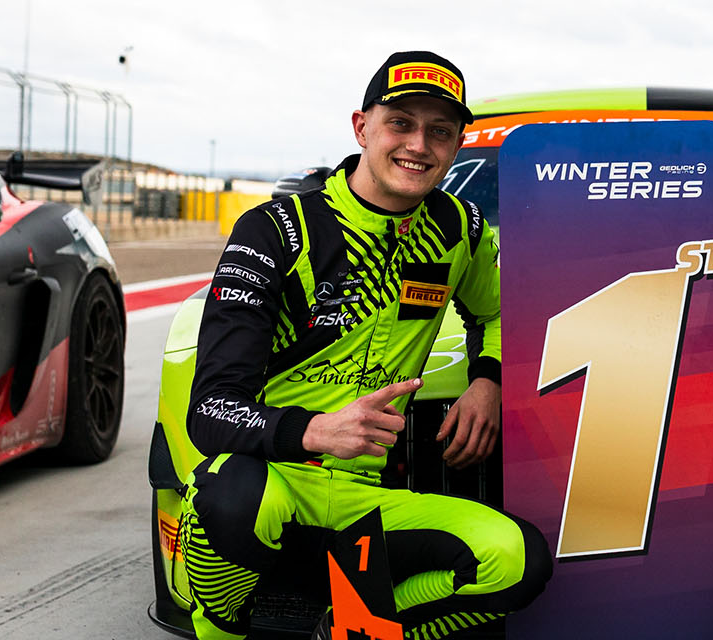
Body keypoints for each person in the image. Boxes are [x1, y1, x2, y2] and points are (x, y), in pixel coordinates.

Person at [177, 51, 549, 640]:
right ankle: (222, 627)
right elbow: (210, 409)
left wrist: (488, 378)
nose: (419, 145)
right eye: (400, 123)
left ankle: (356, 629)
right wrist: (315, 430)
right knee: (226, 496)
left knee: (516, 559)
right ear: (362, 127)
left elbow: (499, 311)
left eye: (440, 131)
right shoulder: (275, 230)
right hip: (273, 485)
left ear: (457, 145)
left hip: (369, 501)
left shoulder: (461, 229)